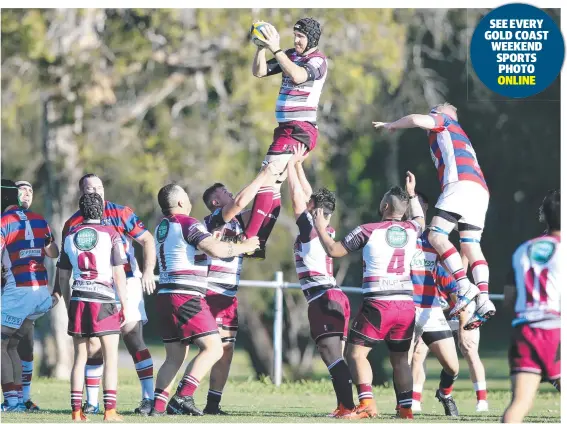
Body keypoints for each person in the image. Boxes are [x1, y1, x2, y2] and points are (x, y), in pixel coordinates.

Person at [314, 172, 425, 419]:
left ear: (385, 206)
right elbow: (420, 219)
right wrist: (413, 193)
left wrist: (321, 227)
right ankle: (405, 409)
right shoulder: (412, 229)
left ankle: (366, 404)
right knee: (400, 360)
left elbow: (334, 250)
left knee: (355, 354)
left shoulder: (368, 230)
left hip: (380, 303)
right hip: (406, 305)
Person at [373, 103, 495, 328]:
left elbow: (416, 119)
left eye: (433, 110)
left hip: (460, 184)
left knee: (436, 236)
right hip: (480, 190)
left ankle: (464, 285)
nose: (431, 114)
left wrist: (393, 125)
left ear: (440, 113)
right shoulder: (461, 136)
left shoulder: (445, 122)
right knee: (470, 245)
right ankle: (485, 299)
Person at [150, 184, 260, 417]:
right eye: (186, 196)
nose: (190, 200)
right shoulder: (188, 223)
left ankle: (157, 408)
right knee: (214, 348)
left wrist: (212, 240)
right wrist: (245, 246)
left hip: (164, 295)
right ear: (180, 203)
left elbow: (192, 252)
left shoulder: (162, 225)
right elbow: (215, 251)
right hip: (186, 294)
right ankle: (183, 396)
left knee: (174, 356)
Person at [61, 174, 156, 415]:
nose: (96, 191)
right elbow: (65, 264)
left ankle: (148, 398)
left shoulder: (121, 212)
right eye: (90, 188)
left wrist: (148, 271)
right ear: (82, 192)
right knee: (92, 345)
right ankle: (92, 403)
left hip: (126, 280)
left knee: (132, 335)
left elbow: (146, 239)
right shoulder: (72, 223)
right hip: (94, 285)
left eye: (99, 187)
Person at [199, 162, 281, 414]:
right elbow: (243, 201)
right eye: (225, 192)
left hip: (228, 295)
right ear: (215, 201)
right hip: (209, 293)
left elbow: (264, 208)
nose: (231, 194)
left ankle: (213, 404)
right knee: (203, 350)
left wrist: (276, 178)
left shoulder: (239, 224)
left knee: (226, 350)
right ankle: (177, 395)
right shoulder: (212, 221)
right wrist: (261, 175)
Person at [248, 17, 328, 258]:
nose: (296, 40)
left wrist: (276, 48)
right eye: (294, 35)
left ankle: (251, 239)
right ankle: (258, 242)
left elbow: (298, 76)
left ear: (312, 38)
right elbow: (259, 72)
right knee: (272, 186)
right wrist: (261, 48)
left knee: (266, 178)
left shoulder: (318, 60)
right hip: (286, 128)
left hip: (300, 128)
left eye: (301, 36)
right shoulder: (290, 54)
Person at [287, 145, 355, 417]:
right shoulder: (324, 227)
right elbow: (307, 196)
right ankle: (347, 406)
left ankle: (348, 408)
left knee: (332, 356)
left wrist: (290, 167)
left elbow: (297, 196)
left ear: (314, 210)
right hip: (332, 296)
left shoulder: (309, 229)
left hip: (323, 297)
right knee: (334, 356)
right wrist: (299, 166)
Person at [55, 192, 128, 422]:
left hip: (79, 298)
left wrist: (69, 304)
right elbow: (118, 274)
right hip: (103, 299)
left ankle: (76, 413)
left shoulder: (70, 235)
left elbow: (63, 276)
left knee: (79, 358)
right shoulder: (111, 234)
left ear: (81, 212)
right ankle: (110, 411)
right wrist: (124, 303)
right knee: (110, 358)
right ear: (102, 210)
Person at [502, 189, 560, 423]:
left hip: (524, 330)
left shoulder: (522, 250)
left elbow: (509, 299)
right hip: (556, 331)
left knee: (519, 404)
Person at [1, 179, 59, 413]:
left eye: (29, 191)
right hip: (39, 293)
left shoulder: (4, 222)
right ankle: (17, 400)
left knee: (1, 344)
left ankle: (12, 402)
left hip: (19, 292)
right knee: (12, 345)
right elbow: (53, 252)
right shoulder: (40, 221)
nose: (27, 194)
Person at [405, 192, 460, 416]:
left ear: (425, 209)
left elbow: (446, 268)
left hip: (432, 309)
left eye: (419, 205)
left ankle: (444, 393)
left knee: (453, 367)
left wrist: (456, 295)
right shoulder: (400, 235)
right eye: (411, 204)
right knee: (409, 357)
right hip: (406, 307)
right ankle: (407, 404)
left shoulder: (435, 238)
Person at [12, 181, 42, 412]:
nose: (28, 193)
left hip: (26, 294)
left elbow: (51, 252)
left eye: (31, 189)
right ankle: (12, 398)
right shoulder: (6, 221)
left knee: (25, 347)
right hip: (9, 293)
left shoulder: (37, 221)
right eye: (22, 189)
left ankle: (24, 398)